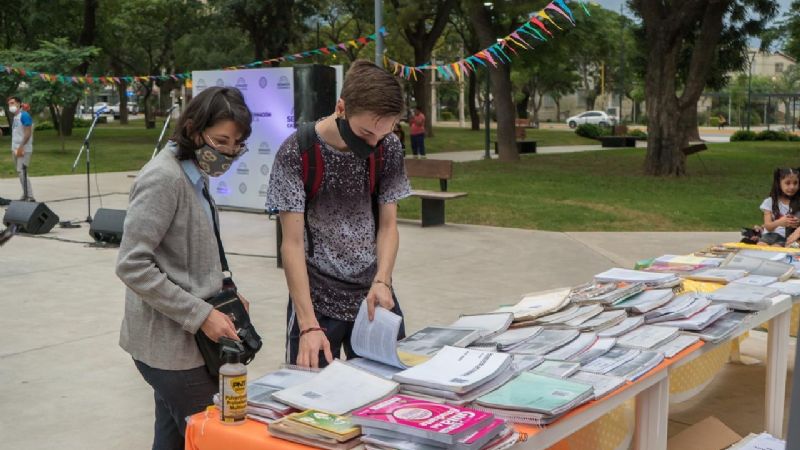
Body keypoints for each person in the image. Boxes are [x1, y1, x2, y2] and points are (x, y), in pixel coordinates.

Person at [115, 86, 252, 450]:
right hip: (169, 349)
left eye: (237, 143)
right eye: (221, 140)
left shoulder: (195, 173)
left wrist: (227, 291)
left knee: (173, 438)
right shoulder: (164, 178)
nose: (229, 151)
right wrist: (202, 314)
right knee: (213, 438)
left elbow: (196, 249)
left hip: (187, 343)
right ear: (193, 130)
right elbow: (132, 264)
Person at [267, 60, 411, 369]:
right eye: (365, 132)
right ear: (341, 107)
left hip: (373, 294)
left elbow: (388, 226)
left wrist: (383, 281)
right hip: (316, 299)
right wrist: (307, 324)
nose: (373, 144)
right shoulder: (297, 153)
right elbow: (291, 245)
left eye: (383, 135)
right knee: (309, 401)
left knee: (388, 389)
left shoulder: (390, 148)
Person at [758, 167, 800, 247]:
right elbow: (768, 226)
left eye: (795, 183)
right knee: (761, 246)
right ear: (779, 183)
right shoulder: (769, 202)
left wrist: (796, 223)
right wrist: (780, 222)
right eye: (787, 183)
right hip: (768, 236)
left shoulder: (798, 203)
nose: (792, 187)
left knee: (776, 248)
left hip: (786, 238)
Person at [8, 96, 35, 201]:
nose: (11, 105)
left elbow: (28, 133)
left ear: (19, 103)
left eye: (13, 103)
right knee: (20, 172)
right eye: (9, 104)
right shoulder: (16, 117)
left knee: (22, 172)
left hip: (23, 148)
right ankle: (25, 194)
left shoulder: (24, 115)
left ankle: (30, 196)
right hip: (15, 148)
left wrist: (21, 147)